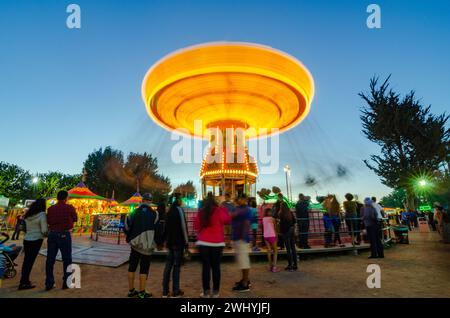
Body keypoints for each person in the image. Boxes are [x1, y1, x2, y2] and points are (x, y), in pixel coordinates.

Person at [195, 193, 231, 298]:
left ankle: (206, 292)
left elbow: (196, 226)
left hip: (203, 243)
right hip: (217, 243)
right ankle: (216, 292)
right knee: (216, 267)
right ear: (215, 202)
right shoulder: (219, 210)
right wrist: (223, 208)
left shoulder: (201, 212)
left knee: (205, 268)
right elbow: (228, 220)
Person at [124, 193, 159, 298]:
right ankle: (142, 292)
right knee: (144, 268)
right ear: (150, 201)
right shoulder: (155, 214)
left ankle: (131, 290)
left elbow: (126, 226)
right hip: (147, 246)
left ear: (142, 200)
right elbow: (158, 231)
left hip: (134, 245)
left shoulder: (134, 212)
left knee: (132, 266)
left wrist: (130, 238)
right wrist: (156, 243)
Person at [45, 190, 78, 291]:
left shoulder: (50, 209)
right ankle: (66, 283)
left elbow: (48, 221)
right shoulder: (69, 207)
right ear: (66, 198)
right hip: (64, 234)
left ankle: (49, 283)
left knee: (50, 259)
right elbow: (75, 218)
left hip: (52, 234)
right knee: (67, 259)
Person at [162, 193, 188, 298]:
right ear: (178, 200)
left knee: (168, 266)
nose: (182, 201)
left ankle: (165, 291)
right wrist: (186, 242)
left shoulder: (169, 211)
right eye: (181, 199)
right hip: (178, 242)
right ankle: (175, 291)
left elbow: (165, 228)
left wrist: (164, 240)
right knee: (176, 266)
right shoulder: (179, 210)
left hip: (170, 242)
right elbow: (183, 226)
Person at [19, 198, 48, 290]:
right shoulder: (42, 215)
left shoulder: (28, 214)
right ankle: (24, 283)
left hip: (27, 239)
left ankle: (23, 280)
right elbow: (44, 230)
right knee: (30, 262)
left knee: (26, 261)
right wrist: (47, 233)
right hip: (36, 240)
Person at [231, 194, 252, 292]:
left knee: (244, 261)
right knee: (242, 260)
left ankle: (245, 283)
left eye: (242, 198)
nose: (239, 200)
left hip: (241, 238)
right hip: (238, 237)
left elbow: (247, 223)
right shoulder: (239, 208)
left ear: (245, 199)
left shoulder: (245, 209)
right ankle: (244, 279)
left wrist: (243, 236)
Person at [279, 201, 298, 271]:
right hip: (291, 231)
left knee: (288, 249)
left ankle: (290, 265)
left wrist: (281, 232)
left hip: (285, 232)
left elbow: (281, 224)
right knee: (293, 248)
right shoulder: (290, 213)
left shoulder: (281, 213)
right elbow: (294, 222)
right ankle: (295, 265)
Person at [262, 207, 280, 272]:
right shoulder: (273, 219)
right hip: (272, 235)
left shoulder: (263, 219)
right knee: (275, 251)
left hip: (265, 236)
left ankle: (270, 266)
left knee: (269, 250)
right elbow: (275, 228)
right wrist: (277, 236)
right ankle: (274, 267)